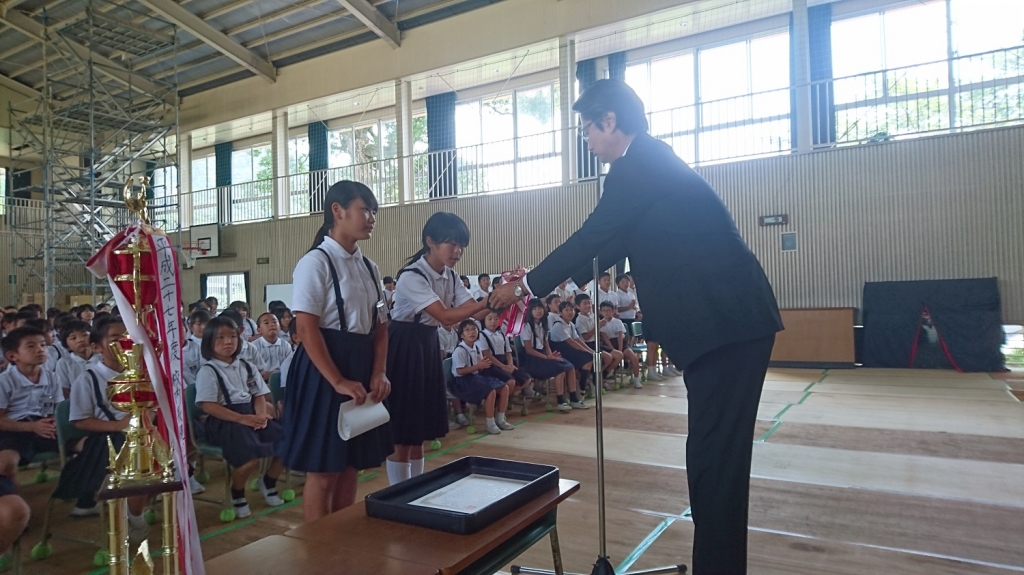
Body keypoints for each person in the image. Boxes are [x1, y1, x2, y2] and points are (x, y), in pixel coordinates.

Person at [490, 79, 782, 574]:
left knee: (715, 466)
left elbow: (591, 237)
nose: (586, 139)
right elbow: (608, 247)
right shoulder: (647, 164)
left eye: (587, 127)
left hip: (726, 327)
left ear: (610, 121)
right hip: (724, 328)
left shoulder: (637, 166)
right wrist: (536, 281)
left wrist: (522, 288)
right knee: (713, 464)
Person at [278, 181, 393, 522]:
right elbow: (306, 329)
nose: (371, 218)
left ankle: (341, 538)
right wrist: (338, 380)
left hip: (360, 363)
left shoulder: (370, 267)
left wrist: (379, 371)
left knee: (350, 464)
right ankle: (319, 546)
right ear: (337, 211)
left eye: (374, 212)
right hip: (324, 369)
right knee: (325, 468)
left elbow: (381, 327)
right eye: (364, 210)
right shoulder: (315, 262)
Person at [387, 212, 493, 485]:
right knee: (403, 428)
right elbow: (445, 316)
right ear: (430, 241)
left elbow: (475, 313)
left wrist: (504, 298)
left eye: (461, 246)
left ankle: (416, 487)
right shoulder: (411, 276)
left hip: (427, 343)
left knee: (419, 428)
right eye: (451, 243)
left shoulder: (450, 276)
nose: (457, 251)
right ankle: (398, 493)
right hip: (403, 346)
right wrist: (489, 300)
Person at [58, 316, 148, 539]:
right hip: (106, 439)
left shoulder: (138, 373)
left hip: (136, 434)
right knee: (138, 463)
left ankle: (135, 509)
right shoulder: (88, 380)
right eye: (115, 338)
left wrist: (144, 418)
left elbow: (150, 405)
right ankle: (135, 516)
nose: (123, 342)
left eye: (127, 337)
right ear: (97, 347)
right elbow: (80, 420)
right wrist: (117, 425)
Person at [196, 316, 285, 519]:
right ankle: (237, 493)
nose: (228, 341)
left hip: (250, 414)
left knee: (288, 441)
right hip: (224, 421)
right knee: (249, 456)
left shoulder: (246, 366)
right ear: (209, 341)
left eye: (233, 336)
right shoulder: (208, 371)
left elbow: (259, 395)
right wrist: (241, 419)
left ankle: (268, 481)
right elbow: (208, 405)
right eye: (220, 337)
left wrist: (261, 414)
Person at [0, 327, 60, 493]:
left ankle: (81, 494)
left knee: (88, 444)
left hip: (46, 427)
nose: (40, 350)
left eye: (43, 345)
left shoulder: (52, 377)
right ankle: (15, 501)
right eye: (31, 346)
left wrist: (54, 422)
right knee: (6, 464)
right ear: (13, 356)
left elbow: (57, 408)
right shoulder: (5, 381)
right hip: (15, 431)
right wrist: (33, 427)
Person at [519, 299, 586, 412]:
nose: (538, 311)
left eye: (540, 308)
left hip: (543, 355)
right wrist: (547, 358)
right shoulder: (526, 326)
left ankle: (574, 398)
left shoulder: (543, 325)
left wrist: (550, 355)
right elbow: (529, 350)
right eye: (534, 309)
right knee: (559, 369)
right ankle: (560, 400)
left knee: (569, 366)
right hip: (532, 360)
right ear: (529, 311)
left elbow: (546, 345)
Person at [449, 320, 514, 435]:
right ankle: (490, 423)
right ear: (462, 335)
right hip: (463, 381)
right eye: (467, 330)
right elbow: (459, 371)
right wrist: (478, 366)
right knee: (490, 391)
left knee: (504, 388)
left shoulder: (476, 347)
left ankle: (500, 419)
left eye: (474, 329)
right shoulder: (460, 350)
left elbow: (478, 368)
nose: (471, 332)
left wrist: (482, 366)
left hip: (475, 377)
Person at [599, 301, 641, 388]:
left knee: (633, 357)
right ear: (601, 312)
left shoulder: (618, 322)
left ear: (613, 311)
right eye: (604, 310)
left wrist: (620, 349)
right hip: (608, 345)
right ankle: (605, 374)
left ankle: (637, 380)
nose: (607, 312)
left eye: (609, 310)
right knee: (615, 356)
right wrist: (613, 350)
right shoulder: (600, 323)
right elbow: (605, 338)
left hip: (620, 343)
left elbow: (620, 336)